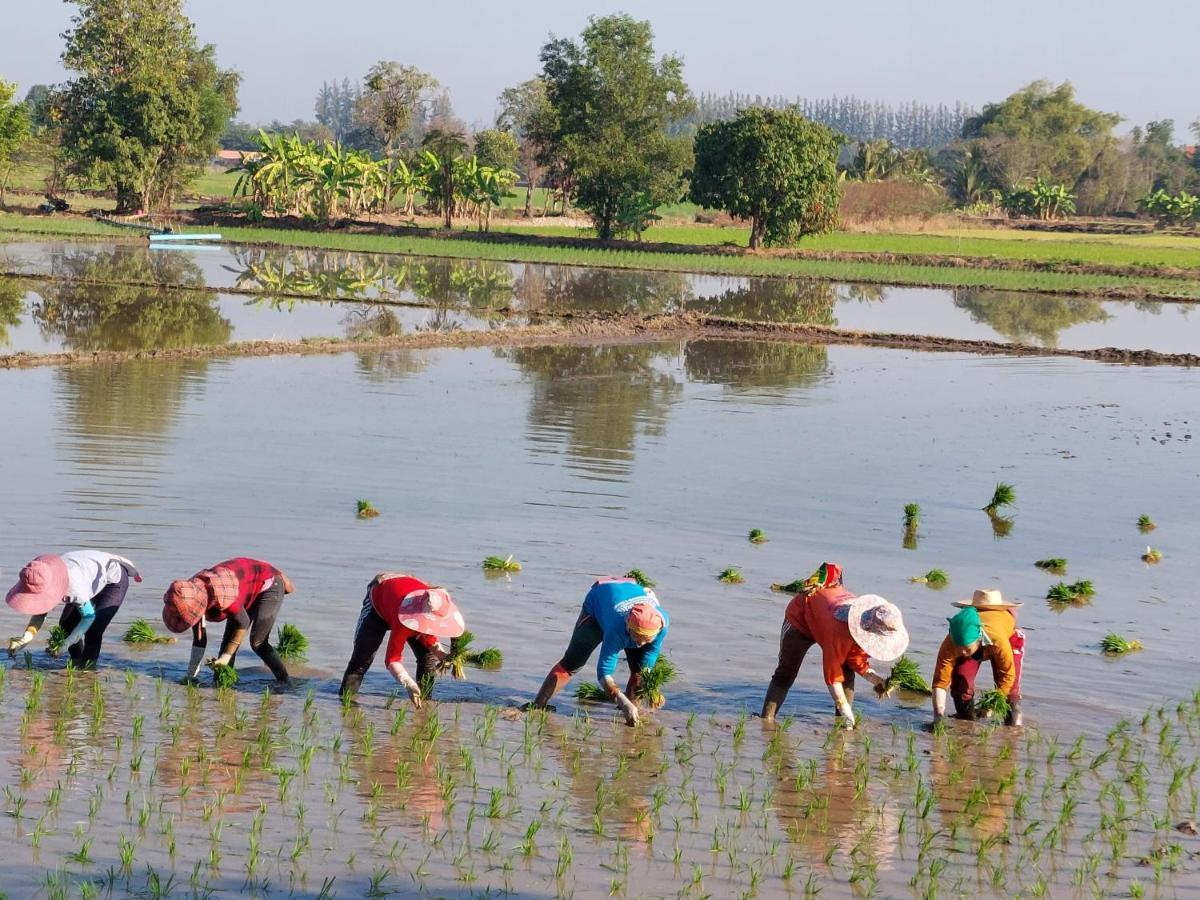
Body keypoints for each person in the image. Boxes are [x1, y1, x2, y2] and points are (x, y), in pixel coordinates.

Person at [760, 562, 909, 727]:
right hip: (800, 618)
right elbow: (832, 675)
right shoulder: (838, 631)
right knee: (786, 673)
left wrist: (875, 679)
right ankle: (766, 720)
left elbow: (855, 658)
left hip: (825, 617)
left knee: (847, 671)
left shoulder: (862, 625)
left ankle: (844, 727)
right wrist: (844, 706)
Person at [526, 577, 670, 726]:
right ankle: (537, 706)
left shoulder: (661, 624)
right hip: (598, 602)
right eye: (636, 637)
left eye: (646, 639)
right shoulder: (617, 628)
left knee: (639, 672)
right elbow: (604, 673)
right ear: (628, 626)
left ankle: (632, 716)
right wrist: (621, 700)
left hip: (628, 589)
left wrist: (650, 687)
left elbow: (648, 660)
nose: (640, 643)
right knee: (572, 663)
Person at [161, 557, 295, 684]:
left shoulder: (222, 595)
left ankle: (285, 681)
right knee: (227, 645)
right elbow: (200, 639)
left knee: (258, 642)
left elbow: (243, 622)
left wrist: (226, 656)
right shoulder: (187, 595)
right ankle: (222, 686)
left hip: (268, 582)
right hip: (242, 587)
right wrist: (191, 676)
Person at [338, 572, 465, 705]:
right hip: (378, 604)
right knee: (361, 660)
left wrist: (444, 655)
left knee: (428, 658)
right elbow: (392, 660)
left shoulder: (436, 606)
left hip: (409, 590)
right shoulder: (405, 618)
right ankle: (346, 704)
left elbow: (432, 638)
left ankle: (424, 703)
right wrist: (409, 684)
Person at [6, 551, 142, 667]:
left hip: (113, 580)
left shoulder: (74, 587)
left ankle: (87, 669)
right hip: (87, 575)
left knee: (94, 629)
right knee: (66, 624)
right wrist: (26, 638)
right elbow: (41, 609)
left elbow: (88, 616)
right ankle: (76, 661)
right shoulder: (39, 573)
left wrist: (66, 644)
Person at [931, 589, 1025, 726]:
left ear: (979, 639)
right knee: (961, 686)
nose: (962, 652)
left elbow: (1007, 676)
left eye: (967, 648)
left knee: (1011, 692)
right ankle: (966, 723)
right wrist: (938, 714)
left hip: (1008, 639)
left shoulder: (998, 640)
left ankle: (1014, 730)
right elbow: (940, 682)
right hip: (977, 641)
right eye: (959, 648)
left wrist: (991, 706)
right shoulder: (951, 642)